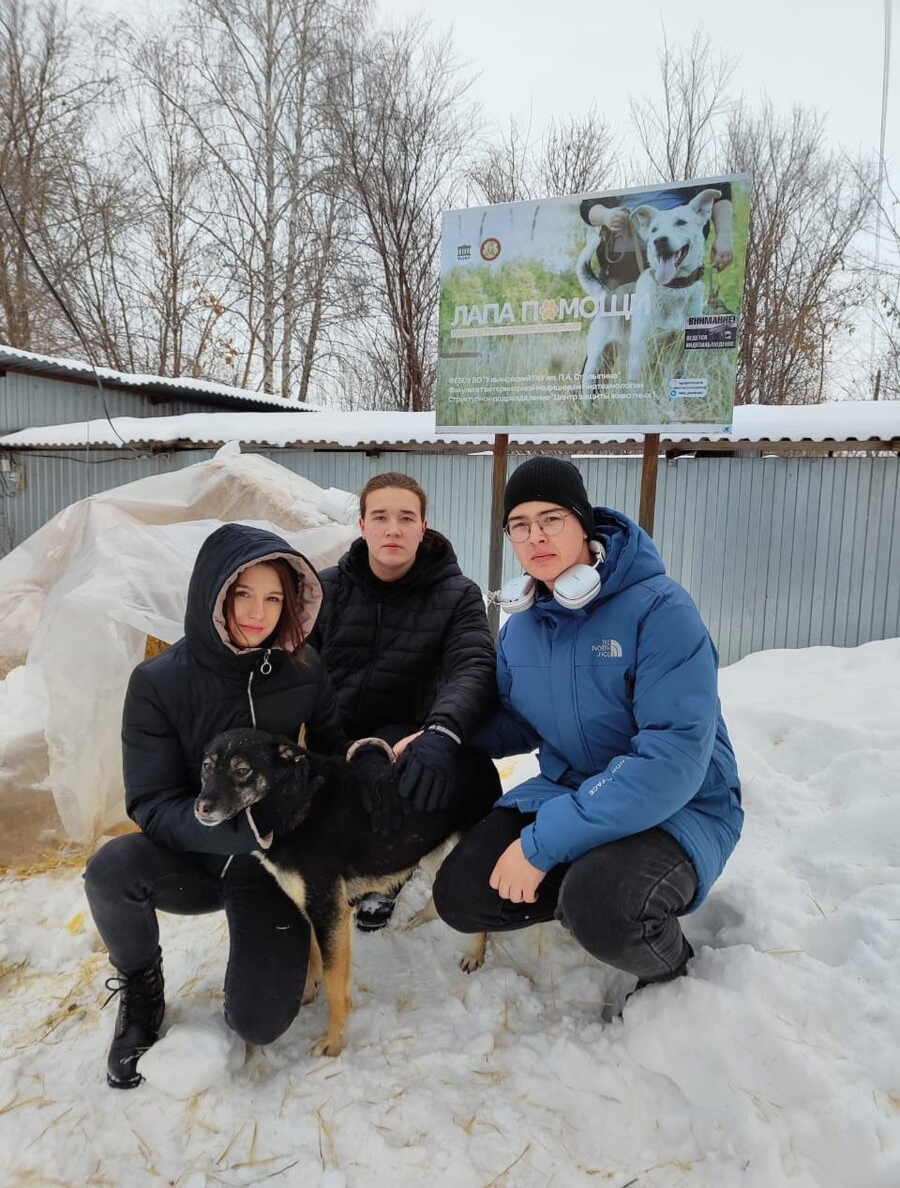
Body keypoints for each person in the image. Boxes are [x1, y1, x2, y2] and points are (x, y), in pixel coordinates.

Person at [433, 457, 743, 1002]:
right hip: (573, 789)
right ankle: (594, 890)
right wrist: (443, 732)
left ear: (584, 523)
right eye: (520, 525)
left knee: (600, 903)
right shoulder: (523, 625)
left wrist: (544, 845)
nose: (536, 537)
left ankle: (668, 971)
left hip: (684, 803)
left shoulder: (661, 609)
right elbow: (516, 721)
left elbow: (671, 758)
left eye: (551, 518)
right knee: (461, 895)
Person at [84, 523, 345, 1088]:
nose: (258, 612)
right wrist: (242, 829)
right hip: (191, 857)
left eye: (274, 598)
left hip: (273, 870)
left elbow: (330, 757)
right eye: (243, 594)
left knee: (258, 1022)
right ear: (213, 594)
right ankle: (141, 990)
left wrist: (371, 766)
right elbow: (150, 803)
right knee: (110, 870)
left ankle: (266, 957)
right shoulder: (158, 682)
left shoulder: (304, 670)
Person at [310, 471, 499, 930]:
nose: (392, 529)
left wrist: (443, 731)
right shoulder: (325, 589)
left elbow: (473, 666)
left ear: (423, 527)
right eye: (380, 516)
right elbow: (297, 670)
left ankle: (389, 874)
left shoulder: (458, 595)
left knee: (396, 794)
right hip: (332, 732)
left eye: (405, 517)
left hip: (408, 737)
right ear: (362, 525)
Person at [579, 180, 734, 291]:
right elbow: (588, 206)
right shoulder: (614, 176)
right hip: (621, 261)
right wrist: (605, 215)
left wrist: (724, 234)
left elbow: (719, 187)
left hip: (680, 254)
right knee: (618, 321)